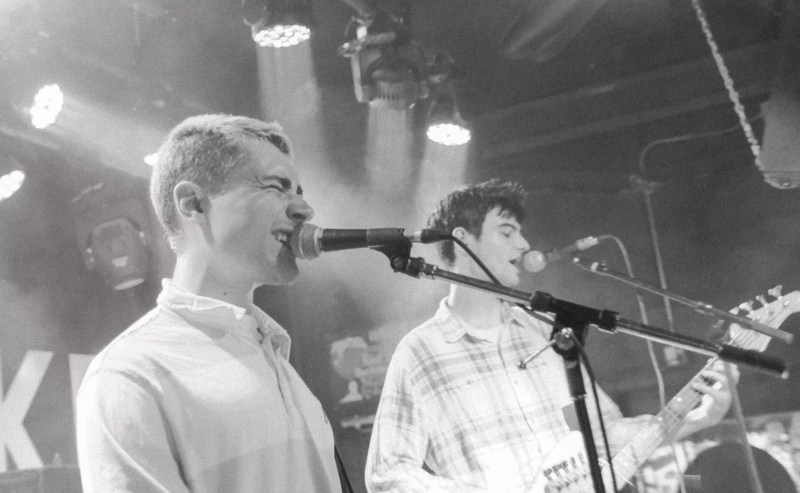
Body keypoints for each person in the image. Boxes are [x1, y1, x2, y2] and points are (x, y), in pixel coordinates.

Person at [365, 178, 737, 492]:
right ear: (462, 240)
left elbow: (605, 436)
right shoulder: (421, 352)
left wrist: (695, 418)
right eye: (507, 231)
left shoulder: (545, 330)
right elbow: (388, 473)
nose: (524, 244)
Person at [76, 114, 343, 493]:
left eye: (299, 191)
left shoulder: (273, 354)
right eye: (277, 186)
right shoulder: (129, 376)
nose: (304, 209)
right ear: (194, 204)